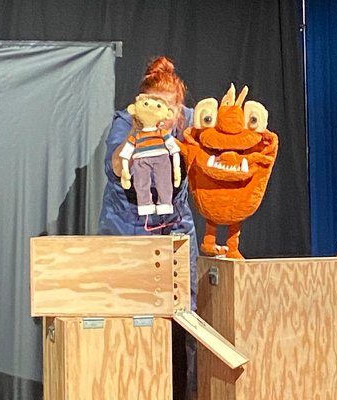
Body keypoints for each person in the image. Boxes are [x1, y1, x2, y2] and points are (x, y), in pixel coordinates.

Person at [98, 56, 198, 399]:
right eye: (155, 103)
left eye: (170, 106)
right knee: (129, 322)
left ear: (179, 109)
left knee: (179, 323)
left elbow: (219, 132)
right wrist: (140, 132)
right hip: (127, 231)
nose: (163, 112)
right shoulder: (125, 122)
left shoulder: (187, 122)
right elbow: (114, 167)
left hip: (175, 234)